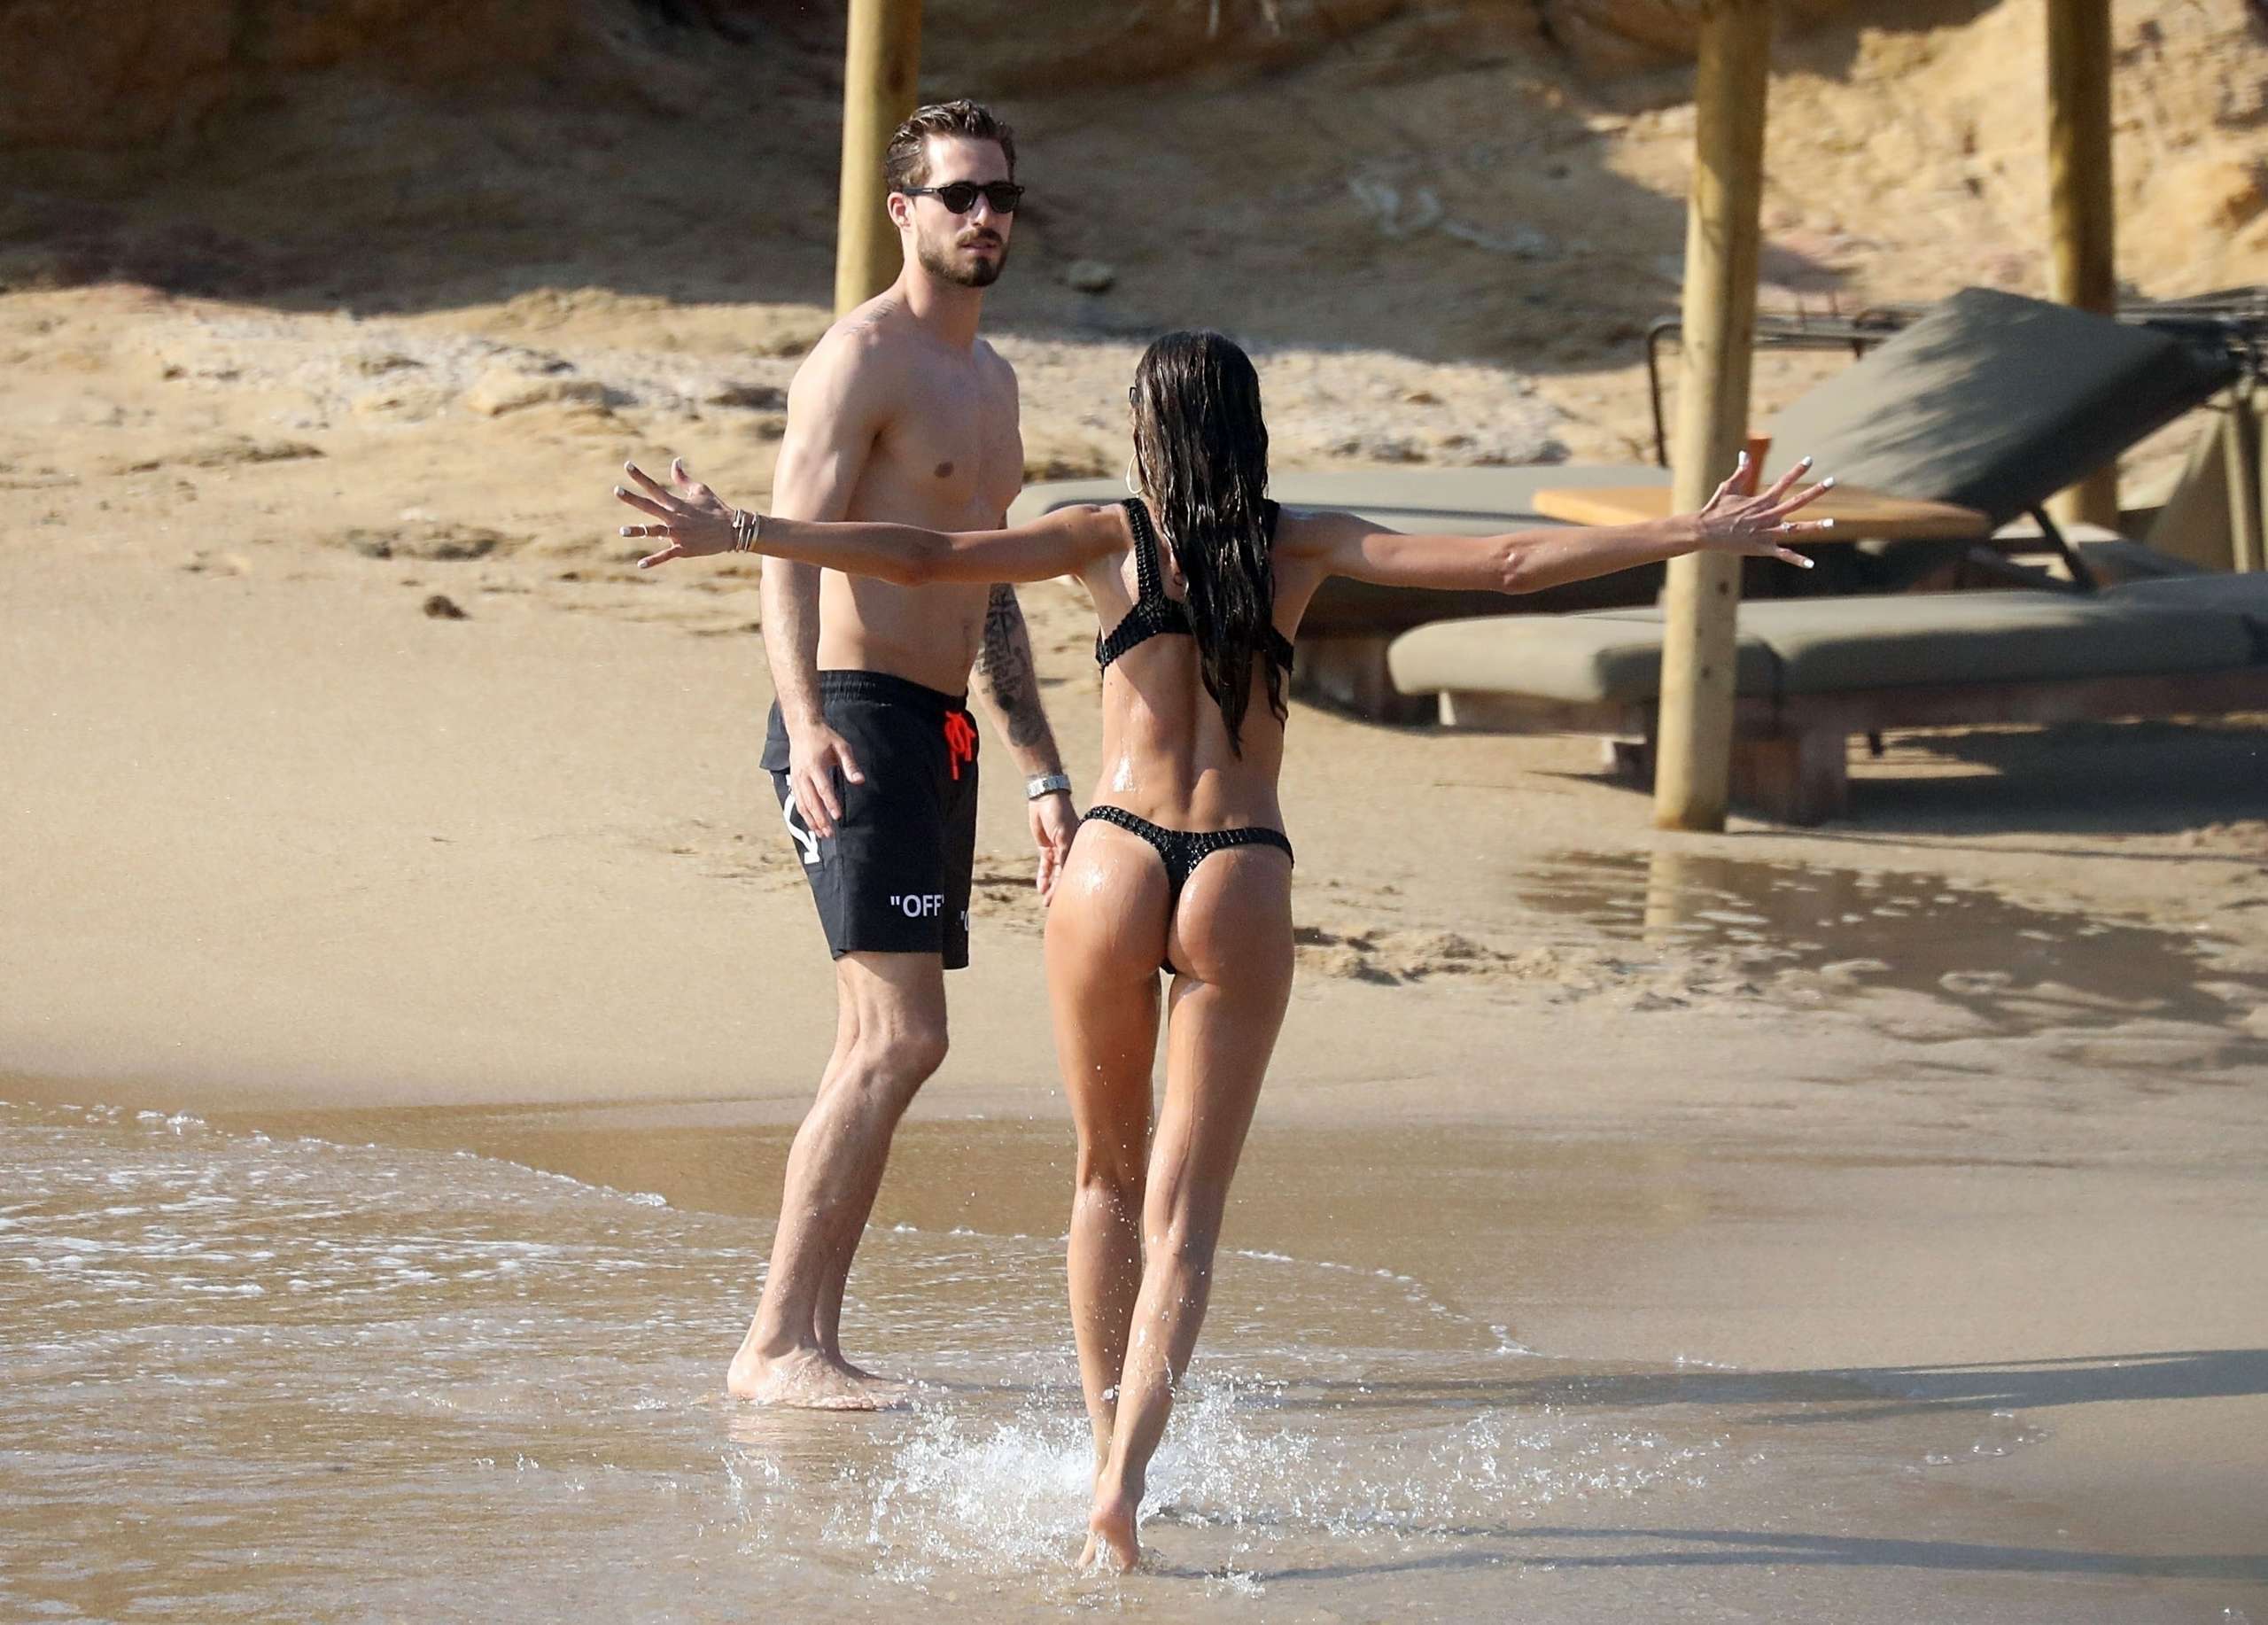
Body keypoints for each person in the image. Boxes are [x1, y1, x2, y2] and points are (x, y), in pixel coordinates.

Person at [616, 330, 1830, 1561]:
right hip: (1238, 864)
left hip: (1113, 857)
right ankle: (1125, 1484)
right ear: (1252, 430)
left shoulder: (1107, 537)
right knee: (1184, 1220)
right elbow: (1509, 563)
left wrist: (748, 531)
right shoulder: (1300, 543)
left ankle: (1100, 1443)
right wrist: (1694, 531)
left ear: (1148, 433)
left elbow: (928, 557)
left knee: (1104, 1178)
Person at [661, 99, 1077, 1411]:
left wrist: (1041, 765)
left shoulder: (993, 382)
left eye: (1000, 195)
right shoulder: (860, 360)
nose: (984, 216)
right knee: (903, 1035)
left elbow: (985, 583)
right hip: (853, 716)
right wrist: (805, 724)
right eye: (959, 194)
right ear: (904, 210)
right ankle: (777, 1343)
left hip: (940, 727)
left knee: (880, 1040)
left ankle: (808, 1341)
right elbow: (786, 550)